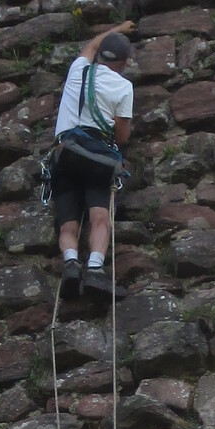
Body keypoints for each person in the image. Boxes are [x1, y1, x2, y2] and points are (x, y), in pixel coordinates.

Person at [50, 22, 134, 297]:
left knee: (67, 223)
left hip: (65, 153)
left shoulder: (78, 70)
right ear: (124, 63)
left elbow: (91, 45)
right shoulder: (123, 87)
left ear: (99, 55)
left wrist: (117, 28)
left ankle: (71, 264)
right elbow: (122, 136)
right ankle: (95, 269)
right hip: (98, 157)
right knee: (99, 216)